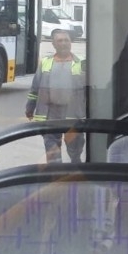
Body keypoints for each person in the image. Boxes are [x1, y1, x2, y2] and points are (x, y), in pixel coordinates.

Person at [26, 28, 86, 163]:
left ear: (71, 42)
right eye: (60, 41)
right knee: (53, 152)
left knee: (75, 150)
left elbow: (90, 88)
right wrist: (29, 108)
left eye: (66, 40)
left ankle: (76, 167)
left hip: (72, 115)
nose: (64, 43)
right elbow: (35, 88)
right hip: (50, 114)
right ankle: (56, 171)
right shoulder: (45, 62)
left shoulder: (81, 62)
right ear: (53, 44)